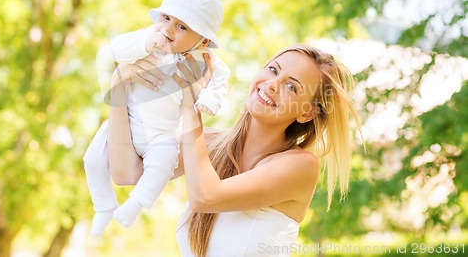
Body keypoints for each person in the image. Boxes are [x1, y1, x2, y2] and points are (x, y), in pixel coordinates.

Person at [107, 44, 359, 256]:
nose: (272, 84)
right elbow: (126, 173)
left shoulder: (301, 165)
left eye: (292, 87)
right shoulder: (207, 144)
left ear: (307, 112)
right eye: (273, 70)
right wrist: (119, 87)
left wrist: (189, 104)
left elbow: (205, 197)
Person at [83, 0, 230, 237]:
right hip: (126, 121)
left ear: (203, 39)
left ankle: (136, 203)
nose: (169, 29)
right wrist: (145, 45)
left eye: (182, 26)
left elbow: (220, 83)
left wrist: (208, 100)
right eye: (166, 18)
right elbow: (116, 48)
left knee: (163, 163)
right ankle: (104, 206)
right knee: (92, 159)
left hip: (161, 133)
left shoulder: (207, 63)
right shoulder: (149, 38)